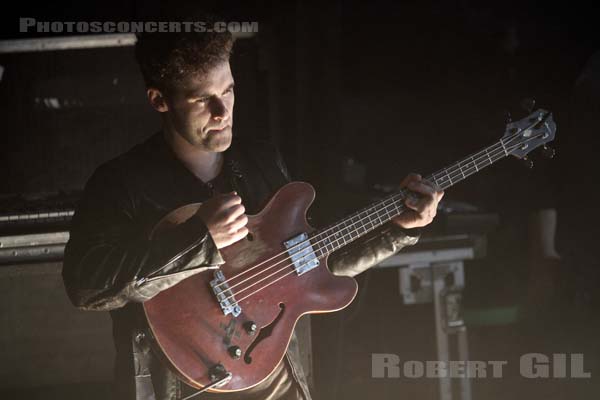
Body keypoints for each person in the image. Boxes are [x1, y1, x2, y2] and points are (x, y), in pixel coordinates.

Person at [61, 26, 443, 400]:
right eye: (201, 99)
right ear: (160, 99)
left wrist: (399, 229)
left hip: (273, 379)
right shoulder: (120, 182)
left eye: (228, 91)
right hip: (177, 387)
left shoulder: (260, 160)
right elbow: (86, 286)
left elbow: (304, 269)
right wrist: (201, 241)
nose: (221, 111)